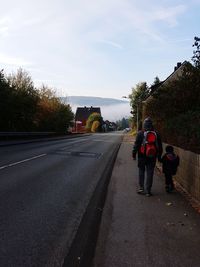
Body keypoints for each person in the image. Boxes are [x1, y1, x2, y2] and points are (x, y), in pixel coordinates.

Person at [132, 117, 163, 196]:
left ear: (144, 125)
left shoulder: (140, 133)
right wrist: (159, 157)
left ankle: (141, 188)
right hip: (152, 156)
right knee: (150, 172)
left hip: (142, 156)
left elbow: (136, 145)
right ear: (151, 125)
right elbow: (160, 147)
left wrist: (134, 155)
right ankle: (148, 191)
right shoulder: (156, 133)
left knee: (141, 171)